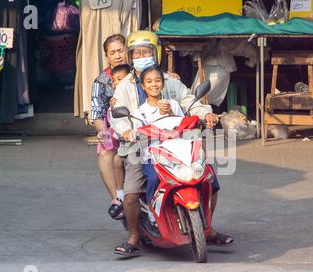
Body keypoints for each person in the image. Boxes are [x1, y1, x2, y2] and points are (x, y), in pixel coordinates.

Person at [110, 30, 233, 257]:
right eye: (136, 52)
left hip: (177, 145)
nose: (140, 56)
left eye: (145, 51)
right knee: (130, 195)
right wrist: (126, 130)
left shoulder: (169, 81)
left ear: (155, 53)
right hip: (140, 148)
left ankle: (207, 228)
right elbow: (116, 116)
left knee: (210, 181)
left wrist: (205, 114)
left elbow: (190, 102)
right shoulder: (124, 86)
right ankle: (134, 236)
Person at [133, 66, 185, 205]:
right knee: (155, 178)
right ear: (143, 86)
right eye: (149, 82)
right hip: (153, 156)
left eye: (157, 80)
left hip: (176, 154)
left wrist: (170, 113)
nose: (154, 84)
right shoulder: (140, 112)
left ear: (163, 83)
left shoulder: (173, 104)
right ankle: (151, 207)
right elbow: (139, 136)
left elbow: (183, 127)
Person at [91, 34, 127, 220]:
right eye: (112, 52)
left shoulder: (138, 73)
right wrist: (102, 131)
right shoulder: (101, 81)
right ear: (107, 57)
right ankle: (118, 199)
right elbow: (97, 113)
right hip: (112, 126)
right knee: (105, 150)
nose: (118, 55)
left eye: (120, 50)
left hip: (140, 124)